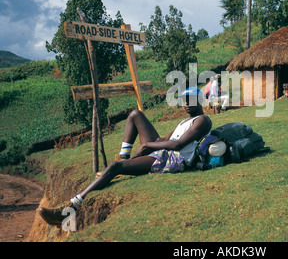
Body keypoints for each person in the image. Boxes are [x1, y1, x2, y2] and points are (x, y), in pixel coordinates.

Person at [38, 87, 212, 227]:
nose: (187, 104)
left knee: (115, 167)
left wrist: (146, 146)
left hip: (175, 160)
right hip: (165, 151)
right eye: (184, 100)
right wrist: (151, 144)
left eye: (191, 100)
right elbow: (166, 140)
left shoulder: (202, 120)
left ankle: (70, 208)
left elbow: (178, 145)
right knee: (135, 115)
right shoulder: (184, 121)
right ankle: (124, 157)